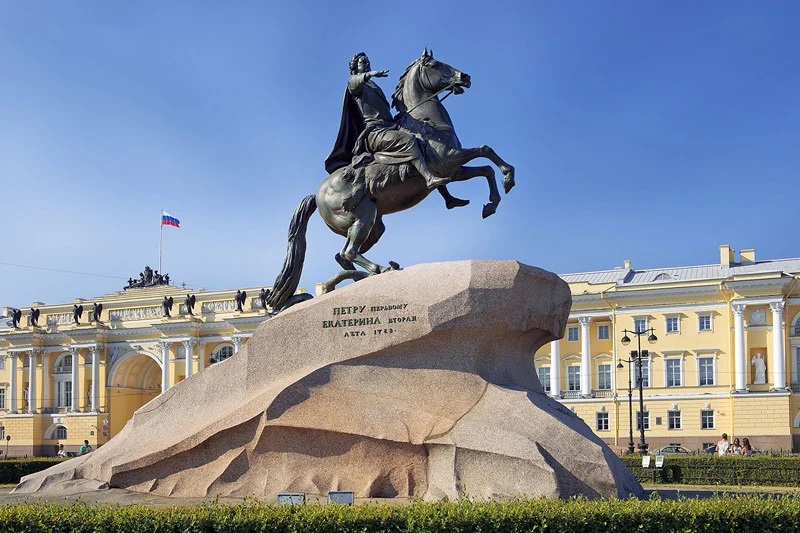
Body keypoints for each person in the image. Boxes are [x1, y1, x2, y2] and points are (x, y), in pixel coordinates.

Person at [326, 52, 450, 193]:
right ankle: (429, 178)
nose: (367, 63)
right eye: (363, 62)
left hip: (389, 127)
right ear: (355, 68)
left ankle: (448, 197)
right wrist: (370, 74)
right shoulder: (356, 85)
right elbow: (353, 82)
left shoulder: (373, 86)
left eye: (368, 61)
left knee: (424, 142)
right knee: (408, 140)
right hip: (374, 133)